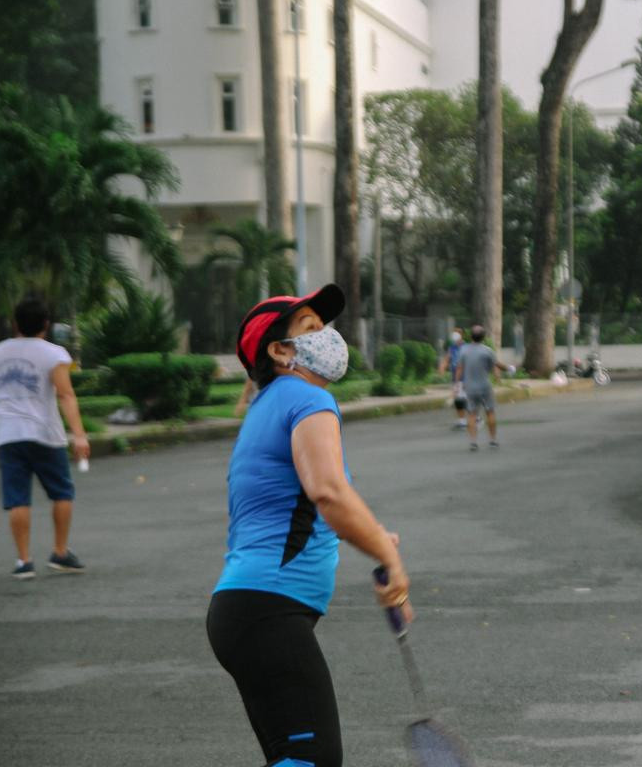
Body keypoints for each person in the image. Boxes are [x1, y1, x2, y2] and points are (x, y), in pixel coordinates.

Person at [206, 284, 412, 767]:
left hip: (251, 611)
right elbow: (328, 493)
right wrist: (389, 558)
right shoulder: (307, 399)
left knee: (296, 757)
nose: (328, 336)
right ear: (280, 351)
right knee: (311, 759)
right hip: (267, 611)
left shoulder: (270, 404)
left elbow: (308, 508)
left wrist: (377, 537)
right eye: (311, 329)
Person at [0, 298, 90, 579]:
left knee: (18, 498)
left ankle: (23, 561)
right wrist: (79, 435)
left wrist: (3, 419)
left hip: (9, 434)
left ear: (15, 324)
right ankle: (60, 551)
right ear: (46, 324)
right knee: (62, 492)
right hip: (45, 433)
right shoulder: (54, 354)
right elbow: (66, 394)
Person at [454, 324, 513, 452]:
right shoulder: (487, 351)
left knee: (471, 414)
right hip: (485, 386)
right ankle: (492, 440)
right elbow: (496, 365)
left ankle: (473, 442)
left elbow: (459, 368)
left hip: (470, 387)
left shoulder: (463, 350)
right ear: (484, 337)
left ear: (471, 336)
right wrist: (509, 368)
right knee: (490, 412)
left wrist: (457, 384)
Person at [438, 327, 467, 429]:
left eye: (457, 333)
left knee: (463, 399)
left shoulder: (466, 347)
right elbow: (447, 358)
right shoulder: (452, 347)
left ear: (462, 335)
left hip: (466, 377)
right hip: (455, 377)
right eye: (454, 333)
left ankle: (474, 418)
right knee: (458, 399)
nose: (455, 335)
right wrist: (442, 367)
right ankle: (462, 421)